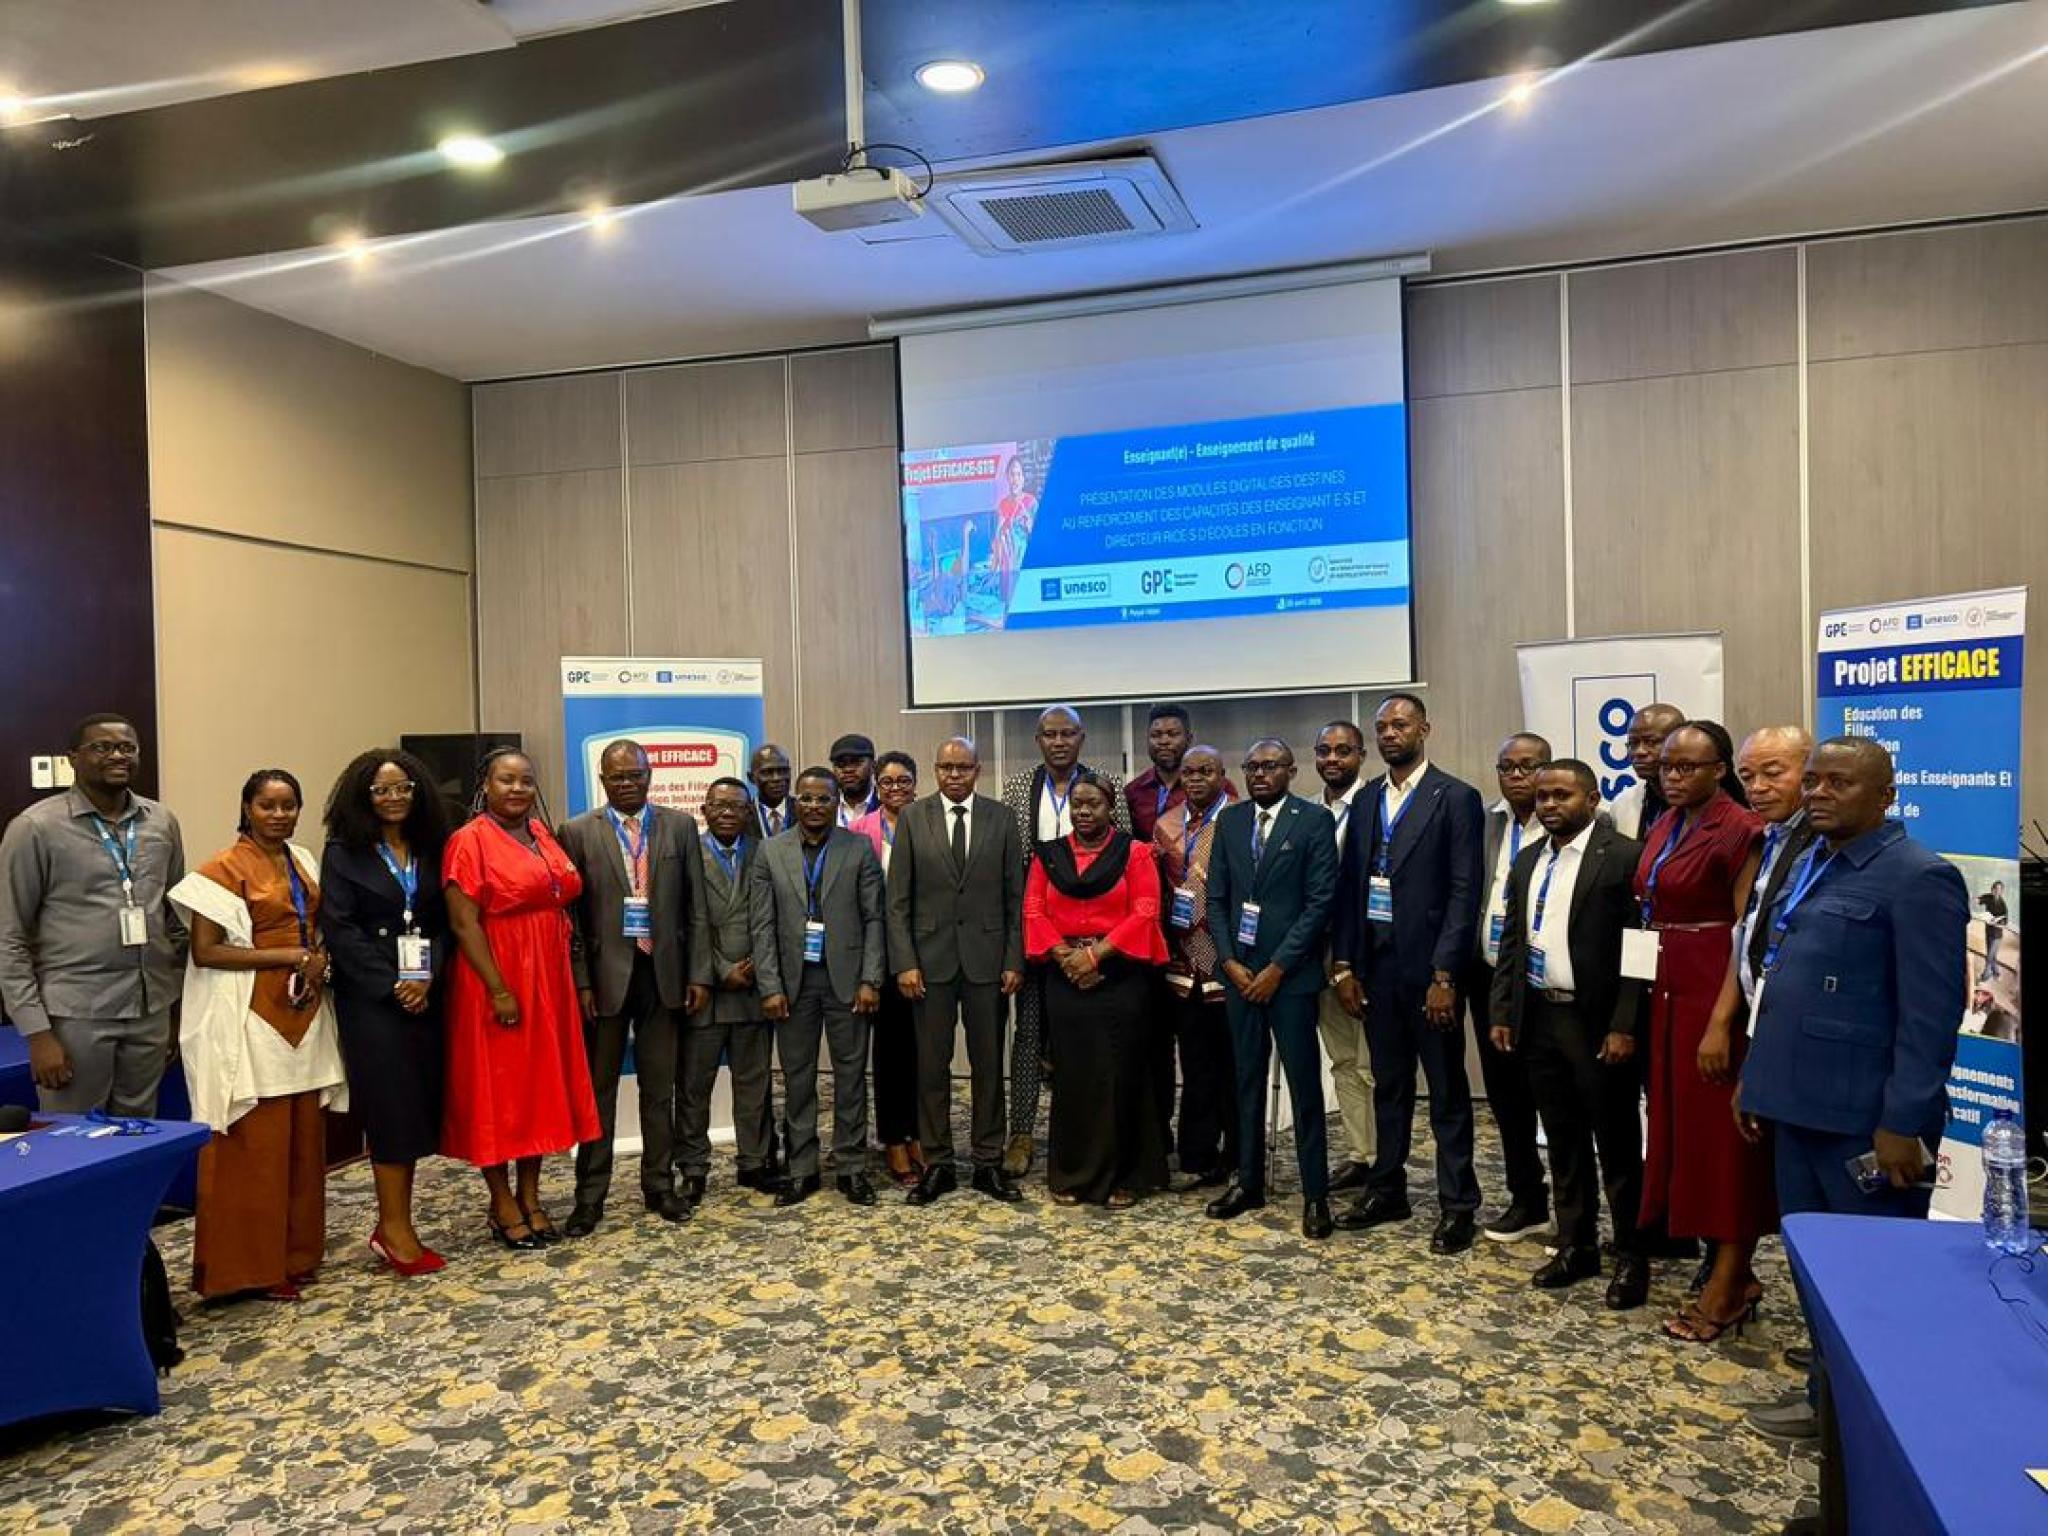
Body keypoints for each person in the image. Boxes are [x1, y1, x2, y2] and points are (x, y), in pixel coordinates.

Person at [1737, 736, 1967, 1443]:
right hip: (1795, 1104)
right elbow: (1781, 981)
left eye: (1839, 783)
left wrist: (1904, 1122)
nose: (1818, 794)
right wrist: (1756, 1080)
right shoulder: (1814, 860)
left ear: (1886, 795)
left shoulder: (1919, 877)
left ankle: (1877, 1426)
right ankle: (1829, 1397)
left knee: (1875, 1283)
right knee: (1817, 1270)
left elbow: (1931, 1016)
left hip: (1864, 1122)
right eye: (1813, 781)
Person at [172, 770, 348, 1301]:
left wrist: (316, 960)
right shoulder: (220, 869)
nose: (279, 815)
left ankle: (297, 1255)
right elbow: (206, 951)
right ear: (247, 807)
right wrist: (291, 955)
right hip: (248, 1018)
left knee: (302, 1141)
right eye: (267, 805)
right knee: (254, 1146)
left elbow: (316, 928)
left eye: (288, 805)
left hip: (304, 1013)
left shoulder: (303, 861)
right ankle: (247, 1268)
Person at [1489, 761, 1649, 1306]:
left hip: (1597, 1023)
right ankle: (1576, 1244)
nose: (1550, 804)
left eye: (1562, 795)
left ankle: (1630, 1255)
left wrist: (1625, 1024)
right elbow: (1513, 942)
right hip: (1540, 1017)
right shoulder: (1529, 859)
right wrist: (1503, 1010)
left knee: (1617, 1144)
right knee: (1562, 1138)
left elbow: (1640, 950)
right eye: (1543, 796)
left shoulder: (1623, 857)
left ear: (1593, 798)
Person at [1332, 693, 1486, 1253]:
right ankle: (1387, 1191)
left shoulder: (1456, 797)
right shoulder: (1367, 798)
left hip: (1430, 974)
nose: (1390, 734)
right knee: (1389, 1087)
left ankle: (1458, 1205)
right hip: (1376, 969)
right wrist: (1344, 966)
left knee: (1446, 1093)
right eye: (1382, 727)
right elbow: (1351, 887)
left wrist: (1446, 976)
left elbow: (1465, 891)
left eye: (1400, 724)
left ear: (1425, 728)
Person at [1635, 720, 1772, 1343]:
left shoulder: (1742, 830)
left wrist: (1722, 1022)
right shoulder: (1667, 821)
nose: (1673, 775)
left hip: (1714, 995)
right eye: (1667, 765)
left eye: (1688, 766)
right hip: (1667, 989)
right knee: (1684, 1135)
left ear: (1720, 770)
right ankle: (1726, 1268)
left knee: (1723, 1146)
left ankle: (1730, 1280)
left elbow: (1749, 936)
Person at [441, 749, 601, 1250]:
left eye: (526, 781)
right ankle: (501, 1201)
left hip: (548, 979)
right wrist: (499, 989)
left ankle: (531, 1196)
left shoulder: (541, 833)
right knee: (499, 1093)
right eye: (506, 780)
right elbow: (463, 923)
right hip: (497, 977)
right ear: (484, 786)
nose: (517, 789)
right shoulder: (468, 841)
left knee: (538, 1091)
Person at [0, 714, 188, 1116]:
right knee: (75, 1137)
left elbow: (175, 921)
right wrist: (37, 1033)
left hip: (150, 1008)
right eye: (102, 747)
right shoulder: (35, 828)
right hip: (76, 1015)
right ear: (73, 758)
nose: (118, 755)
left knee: (141, 1133)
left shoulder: (161, 822)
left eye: (127, 747)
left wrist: (174, 1009)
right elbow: (10, 936)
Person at [558, 740, 707, 1234]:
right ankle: (590, 1197)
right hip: (604, 980)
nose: (627, 784)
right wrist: (581, 981)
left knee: (659, 1090)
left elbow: (695, 908)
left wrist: (697, 974)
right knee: (598, 1093)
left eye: (636, 775)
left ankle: (659, 1186)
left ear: (649, 776)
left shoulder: (680, 827)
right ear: (603, 780)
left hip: (663, 976)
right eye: (617, 776)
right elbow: (571, 919)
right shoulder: (577, 831)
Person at [318, 749, 452, 1275]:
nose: (393, 798)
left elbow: (443, 922)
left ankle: (397, 1222)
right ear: (363, 797)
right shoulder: (343, 852)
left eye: (402, 788)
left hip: (426, 993)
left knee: (416, 1108)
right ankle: (393, 1229)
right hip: (373, 1001)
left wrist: (426, 976)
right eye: (381, 790)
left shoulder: (433, 847)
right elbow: (340, 929)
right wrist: (393, 985)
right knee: (390, 1111)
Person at [1204, 739, 1340, 1239]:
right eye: (1252, 766)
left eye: (1270, 766)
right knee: (1245, 1080)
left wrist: (1278, 967)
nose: (1260, 774)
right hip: (1240, 976)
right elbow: (1216, 899)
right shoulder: (1231, 821)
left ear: (1291, 770)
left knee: (1304, 1087)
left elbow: (1320, 903)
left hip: (1291, 979)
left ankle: (1315, 1194)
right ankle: (1249, 1182)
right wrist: (1229, 961)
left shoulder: (1313, 821)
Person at [888, 737, 1025, 1206]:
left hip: (989, 963)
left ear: (977, 770)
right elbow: (897, 901)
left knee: (989, 1066)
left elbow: (1015, 897)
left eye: (962, 767)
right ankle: (939, 1163)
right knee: (931, 1067)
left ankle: (988, 1162)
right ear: (935, 770)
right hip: (929, 965)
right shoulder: (913, 818)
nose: (954, 775)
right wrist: (905, 962)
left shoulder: (1002, 818)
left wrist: (1013, 959)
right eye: (946, 767)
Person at [1024, 773, 1170, 1207]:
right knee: (1073, 1076)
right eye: (1077, 804)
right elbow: (1033, 911)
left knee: (1120, 1073)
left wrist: (1094, 956)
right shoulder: (1048, 855)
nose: (1084, 812)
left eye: (1094, 804)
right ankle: (1072, 1173)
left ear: (1111, 808)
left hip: (1120, 975)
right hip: (1065, 977)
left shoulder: (1136, 852)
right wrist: (1067, 957)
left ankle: (1127, 1175)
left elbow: (1146, 911)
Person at [999, 705, 1126, 1175]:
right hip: (1038, 935)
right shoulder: (1017, 787)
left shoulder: (1107, 784)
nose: (1058, 742)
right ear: (1038, 740)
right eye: (1049, 734)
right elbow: (1012, 865)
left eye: (1067, 734)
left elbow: (1123, 855)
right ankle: (1020, 1136)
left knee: (1087, 1041)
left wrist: (1095, 950)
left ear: (1081, 738)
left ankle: (1084, 1136)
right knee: (1029, 1034)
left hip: (1095, 944)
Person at [750, 767, 884, 1207]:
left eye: (823, 798)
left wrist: (870, 979)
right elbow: (761, 925)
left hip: (847, 981)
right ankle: (802, 1169)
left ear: (834, 801)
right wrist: (769, 985)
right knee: (798, 1079)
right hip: (793, 984)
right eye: (805, 798)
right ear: (796, 801)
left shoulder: (858, 847)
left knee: (850, 1078)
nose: (813, 806)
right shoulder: (771, 851)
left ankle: (851, 1167)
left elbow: (874, 918)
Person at [1469, 732, 1553, 1243]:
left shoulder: (1574, 821)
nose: (1517, 776)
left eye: (1528, 766)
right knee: (1506, 1096)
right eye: (1507, 767)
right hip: (1491, 978)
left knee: (1557, 1097)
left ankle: (1577, 1212)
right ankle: (1528, 1198)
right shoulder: (1486, 821)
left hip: (1546, 984)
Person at [1700, 727, 1818, 1087]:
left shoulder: (1827, 843)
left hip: (1806, 1024)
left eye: (1773, 773)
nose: (1757, 787)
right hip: (1761, 1014)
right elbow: (1747, 927)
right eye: (1747, 776)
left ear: (1810, 772)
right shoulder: (1768, 835)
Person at [682, 778, 782, 1201]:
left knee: (754, 1084)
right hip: (706, 989)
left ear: (748, 812)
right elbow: (683, 919)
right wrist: (721, 969)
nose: (727, 813)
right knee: (694, 1087)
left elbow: (777, 914)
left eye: (737, 806)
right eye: (719, 805)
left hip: (753, 988)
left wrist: (759, 965)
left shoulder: (766, 852)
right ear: (704, 810)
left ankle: (754, 1162)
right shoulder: (686, 853)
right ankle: (693, 1168)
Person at [1153, 745, 1236, 1188]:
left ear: (1222, 775)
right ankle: (1197, 1153)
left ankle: (1238, 1151)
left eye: (1206, 771)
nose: (1197, 779)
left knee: (1233, 1063)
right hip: (1182, 960)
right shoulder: (1166, 823)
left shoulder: (1239, 818)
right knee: (1196, 1060)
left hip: (1229, 959)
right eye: (1189, 772)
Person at [851, 750, 925, 1186]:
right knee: (890, 1052)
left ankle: (919, 1134)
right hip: (880, 954)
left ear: (916, 784)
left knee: (923, 1052)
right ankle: (894, 1138)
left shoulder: (929, 822)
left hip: (923, 954)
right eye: (887, 782)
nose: (895, 788)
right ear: (877, 788)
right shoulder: (859, 831)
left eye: (904, 781)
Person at [1309, 721, 1376, 1191]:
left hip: (1361, 954)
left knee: (1368, 1061)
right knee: (1342, 1060)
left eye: (1343, 750)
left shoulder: (1375, 806)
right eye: (1324, 750)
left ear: (1361, 756)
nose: (1333, 759)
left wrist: (1348, 960)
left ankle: (1382, 1159)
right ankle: (1361, 1154)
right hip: (1313, 953)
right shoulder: (1308, 812)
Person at [1124, 704, 1237, 841]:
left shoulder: (1218, 786)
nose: (1164, 741)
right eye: (1156, 735)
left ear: (1189, 739)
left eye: (1172, 734)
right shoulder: (1133, 791)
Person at [1606, 703, 1685, 839]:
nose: (1639, 752)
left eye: (1651, 742)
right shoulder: (1623, 803)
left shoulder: (1704, 803)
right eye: (1633, 743)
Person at [992, 455, 1037, 609]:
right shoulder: (1003, 505)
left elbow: (1040, 541)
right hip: (1006, 567)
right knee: (1008, 607)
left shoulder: (1031, 503)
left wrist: (1029, 526)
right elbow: (997, 539)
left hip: (1023, 566)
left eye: (1018, 474)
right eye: (1012, 474)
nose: (1015, 479)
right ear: (1007, 477)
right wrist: (994, 568)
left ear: (1023, 478)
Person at [829, 734, 880, 829]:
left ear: (873, 766)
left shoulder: (886, 805)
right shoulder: (826, 807)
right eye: (841, 764)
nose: (848, 770)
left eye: (856, 762)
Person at [749, 744, 794, 840]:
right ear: (751, 778)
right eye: (767, 772)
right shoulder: (743, 816)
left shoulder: (803, 811)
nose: (776, 778)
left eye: (783, 771)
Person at [1978, 879, 2009, 980]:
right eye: (1995, 889)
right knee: (1992, 955)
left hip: (1997, 935)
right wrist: (1974, 899)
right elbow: (1979, 900)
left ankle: (1985, 976)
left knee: (1989, 956)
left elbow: (2004, 925)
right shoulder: (1988, 897)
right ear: (1992, 889)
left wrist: (1995, 924)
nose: (1996, 891)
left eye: (1999, 889)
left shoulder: (2003, 905)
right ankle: (1996, 973)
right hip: (1988, 932)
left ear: (2002, 891)